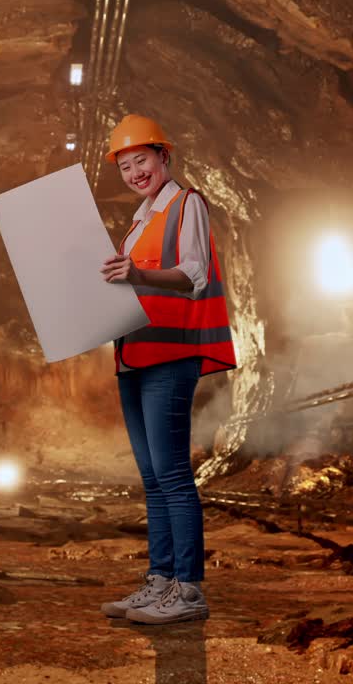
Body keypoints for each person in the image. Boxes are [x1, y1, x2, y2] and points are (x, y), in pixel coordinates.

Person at [97, 114, 237, 625]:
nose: (135, 171)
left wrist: (137, 273)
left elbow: (194, 275)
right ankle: (159, 581)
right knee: (153, 478)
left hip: (170, 356)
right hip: (134, 356)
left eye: (142, 160)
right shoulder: (139, 220)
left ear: (164, 157)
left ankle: (188, 590)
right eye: (125, 165)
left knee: (174, 475)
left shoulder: (186, 204)